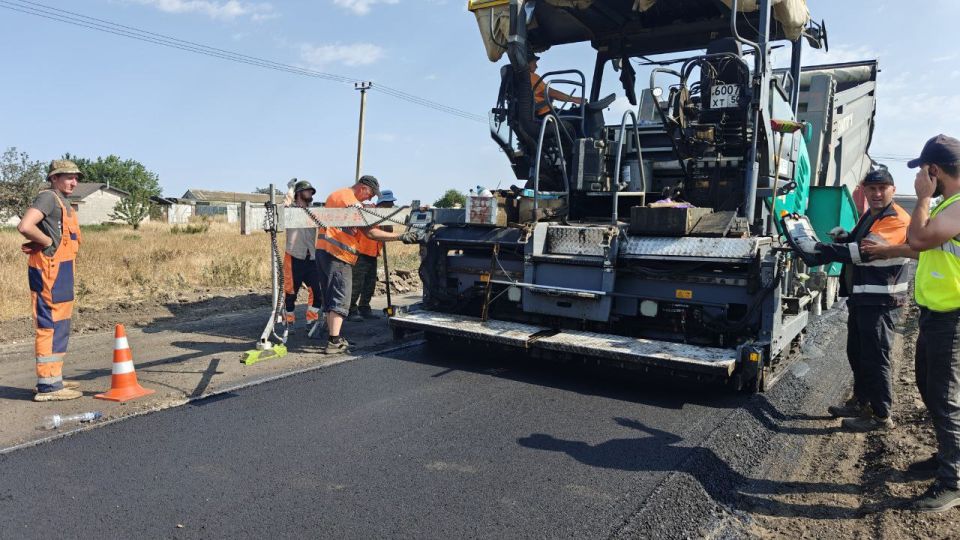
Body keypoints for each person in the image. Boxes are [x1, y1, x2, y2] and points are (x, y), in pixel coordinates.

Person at [793, 169, 912, 431]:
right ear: (865, 191)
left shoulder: (896, 218)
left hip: (882, 301)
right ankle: (861, 403)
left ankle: (881, 416)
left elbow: (865, 252)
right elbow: (858, 242)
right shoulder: (872, 214)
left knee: (875, 357)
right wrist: (845, 237)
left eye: (883, 188)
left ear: (893, 189)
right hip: (864, 297)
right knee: (858, 354)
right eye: (872, 189)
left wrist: (819, 249)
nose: (877, 193)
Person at [903, 134, 960, 512]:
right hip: (935, 314)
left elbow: (919, 237)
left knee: (945, 399)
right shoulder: (949, 207)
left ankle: (953, 480)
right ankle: (945, 458)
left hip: (951, 319)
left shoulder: (955, 206)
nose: (920, 178)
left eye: (923, 172)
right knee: (928, 386)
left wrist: (922, 196)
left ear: (934, 171)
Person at [316, 176, 420, 354]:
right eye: (371, 193)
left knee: (331, 296)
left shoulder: (338, 195)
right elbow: (370, 232)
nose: (371, 198)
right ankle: (334, 341)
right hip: (337, 254)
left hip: (324, 251)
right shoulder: (351, 201)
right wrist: (400, 237)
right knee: (341, 297)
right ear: (363, 188)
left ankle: (335, 336)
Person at [17, 160, 84, 402]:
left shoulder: (63, 202)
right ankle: (47, 385)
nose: (73, 182)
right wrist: (46, 242)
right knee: (49, 324)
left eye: (76, 177)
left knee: (60, 325)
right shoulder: (48, 197)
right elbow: (25, 226)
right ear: (54, 178)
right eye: (67, 177)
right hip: (49, 270)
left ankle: (54, 378)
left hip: (61, 271)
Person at [348, 189, 398, 322]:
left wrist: (387, 219)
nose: (392, 206)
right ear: (383, 203)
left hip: (373, 253)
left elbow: (389, 231)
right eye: (390, 203)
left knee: (369, 284)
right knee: (356, 284)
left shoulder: (385, 215)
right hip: (361, 252)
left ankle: (364, 308)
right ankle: (350, 310)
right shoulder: (370, 210)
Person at [283, 180, 324, 336]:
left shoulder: (314, 213)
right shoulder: (290, 210)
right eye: (307, 191)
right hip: (293, 256)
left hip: (311, 257)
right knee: (290, 293)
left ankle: (311, 321)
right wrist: (290, 189)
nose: (311, 194)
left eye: (312, 192)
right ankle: (289, 322)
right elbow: (285, 203)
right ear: (299, 193)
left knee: (317, 291)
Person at [529, 53, 583, 117]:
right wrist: (575, 99)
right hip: (545, 113)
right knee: (578, 115)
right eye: (534, 63)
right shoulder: (531, 76)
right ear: (527, 63)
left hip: (539, 113)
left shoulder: (520, 78)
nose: (536, 66)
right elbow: (550, 93)